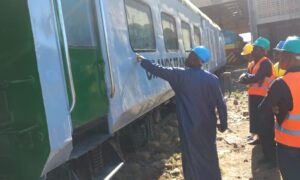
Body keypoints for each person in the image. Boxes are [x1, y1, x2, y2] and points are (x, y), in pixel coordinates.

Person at [136, 46, 227, 180]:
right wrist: (223, 122)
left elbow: (158, 70)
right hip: (208, 126)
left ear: (198, 60)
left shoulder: (180, 75)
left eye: (191, 55)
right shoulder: (212, 79)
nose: (188, 57)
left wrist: (143, 61)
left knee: (191, 158)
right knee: (209, 154)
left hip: (189, 127)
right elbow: (221, 103)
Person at [259, 36, 300, 179]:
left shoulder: (281, 84)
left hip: (289, 145)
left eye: (281, 54)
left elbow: (262, 111)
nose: (279, 57)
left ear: (289, 57)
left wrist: (275, 108)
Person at [239, 37, 277, 165]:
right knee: (257, 122)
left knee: (266, 127)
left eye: (257, 49)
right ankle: (261, 142)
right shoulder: (253, 63)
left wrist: (248, 78)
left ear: (264, 52)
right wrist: (248, 78)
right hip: (255, 97)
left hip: (265, 98)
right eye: (254, 48)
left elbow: (256, 77)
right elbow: (250, 77)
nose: (253, 51)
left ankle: (271, 158)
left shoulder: (265, 62)